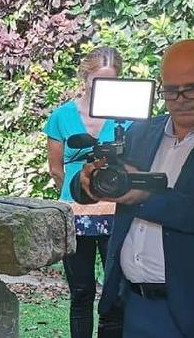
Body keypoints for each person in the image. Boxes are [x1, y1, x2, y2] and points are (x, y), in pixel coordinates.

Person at [71, 39, 194, 337]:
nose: (182, 99)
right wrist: (87, 183)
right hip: (133, 307)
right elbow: (103, 185)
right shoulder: (140, 133)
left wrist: (149, 197)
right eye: (171, 91)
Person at [43, 46, 126, 338]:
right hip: (75, 213)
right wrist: (80, 192)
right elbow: (56, 170)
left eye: (111, 81)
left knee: (114, 292)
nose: (104, 87)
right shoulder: (62, 116)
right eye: (98, 80)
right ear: (85, 77)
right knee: (80, 292)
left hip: (117, 212)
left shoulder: (125, 116)